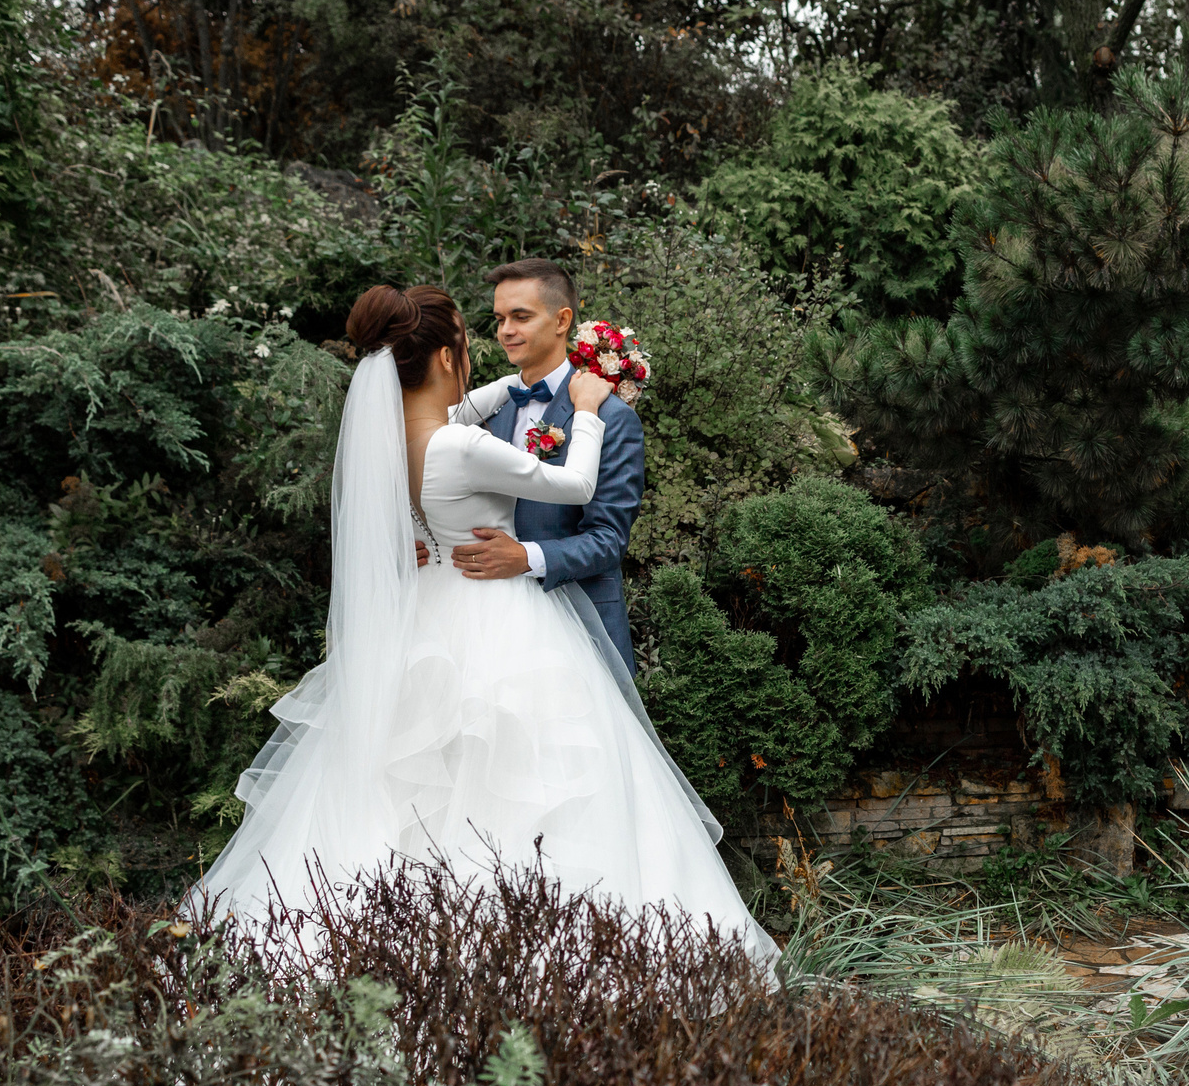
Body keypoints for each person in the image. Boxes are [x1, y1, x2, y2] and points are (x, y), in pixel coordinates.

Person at [186, 282, 774, 968]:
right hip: (502, 619)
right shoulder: (459, 445)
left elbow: (478, 405)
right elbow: (576, 486)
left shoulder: (396, 438)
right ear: (443, 354)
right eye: (471, 336)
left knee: (415, 788)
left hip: (428, 620)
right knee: (531, 784)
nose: (480, 346)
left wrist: (543, 379)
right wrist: (585, 408)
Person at [442, 258, 644, 675]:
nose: (505, 331)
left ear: (561, 320)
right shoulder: (489, 406)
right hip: (487, 623)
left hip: (577, 626)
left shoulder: (612, 417)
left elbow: (608, 540)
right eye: (499, 318)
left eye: (521, 316)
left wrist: (525, 557)